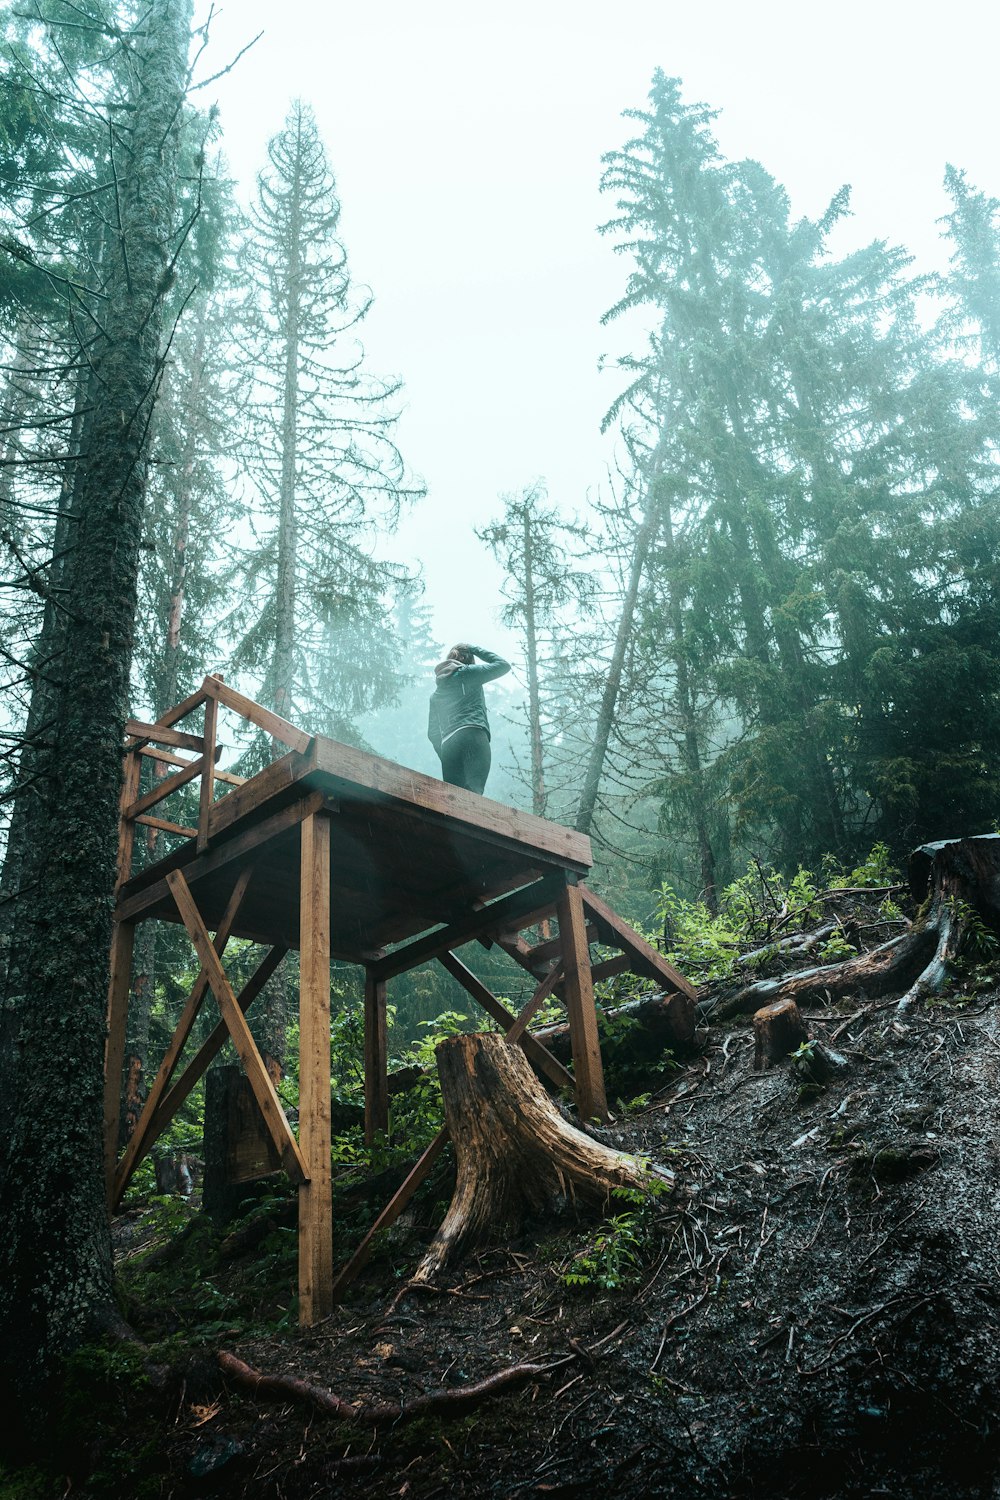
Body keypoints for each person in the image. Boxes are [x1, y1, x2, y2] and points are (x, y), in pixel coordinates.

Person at [427, 642, 511, 795]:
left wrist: (447, 755)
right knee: (474, 792)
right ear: (467, 658)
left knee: (453, 800)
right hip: (472, 733)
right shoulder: (468, 672)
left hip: (447, 744)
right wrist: (474, 648)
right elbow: (503, 665)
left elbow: (432, 733)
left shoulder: (435, 695)